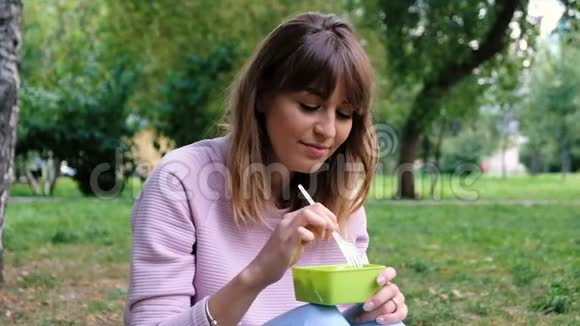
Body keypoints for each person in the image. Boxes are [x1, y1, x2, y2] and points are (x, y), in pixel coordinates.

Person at [124, 12, 407, 326]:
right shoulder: (181, 181)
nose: (328, 130)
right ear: (261, 95)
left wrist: (374, 310)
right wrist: (259, 273)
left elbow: (342, 316)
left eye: (344, 113)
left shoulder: (342, 198)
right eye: (310, 106)